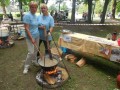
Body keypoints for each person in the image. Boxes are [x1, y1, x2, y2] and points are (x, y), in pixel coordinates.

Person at [22, 1, 39, 74]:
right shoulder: (27, 16)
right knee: (31, 52)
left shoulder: (35, 15)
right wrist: (31, 38)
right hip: (30, 37)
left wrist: (41, 27)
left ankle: (34, 61)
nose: (34, 9)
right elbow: (26, 28)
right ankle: (26, 66)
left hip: (37, 35)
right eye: (32, 7)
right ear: (29, 7)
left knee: (35, 50)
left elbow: (35, 26)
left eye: (35, 7)